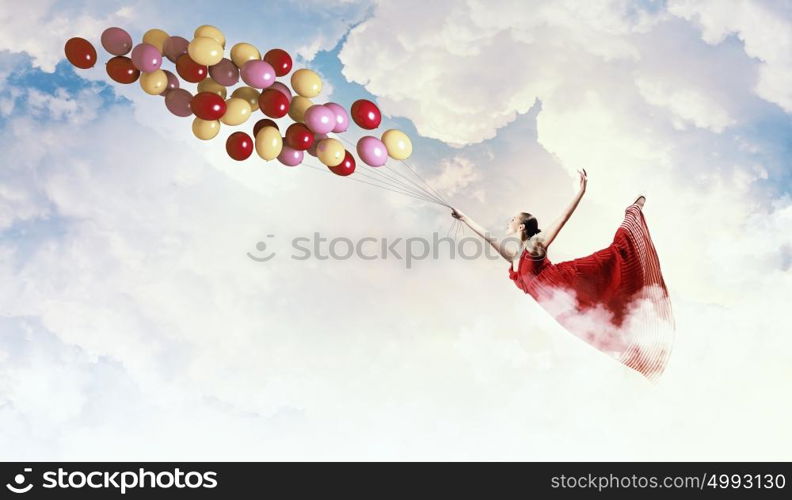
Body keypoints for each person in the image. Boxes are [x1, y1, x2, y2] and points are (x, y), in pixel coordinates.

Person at [451, 169, 675, 380]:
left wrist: (580, 192)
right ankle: (646, 354)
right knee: (603, 328)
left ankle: (635, 208)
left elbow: (561, 220)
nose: (508, 222)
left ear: (521, 227)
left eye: (512, 220)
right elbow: (488, 238)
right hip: (562, 306)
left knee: (618, 258)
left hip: (569, 282)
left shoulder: (534, 246)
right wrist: (463, 218)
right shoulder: (515, 257)